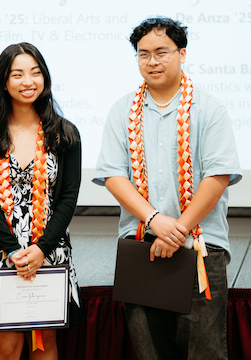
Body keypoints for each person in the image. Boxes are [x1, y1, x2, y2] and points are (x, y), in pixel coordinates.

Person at [93, 17, 242, 360]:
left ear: (182, 53)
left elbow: (217, 177)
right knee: (150, 352)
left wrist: (177, 229)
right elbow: (115, 176)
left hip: (202, 248)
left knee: (204, 352)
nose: (153, 61)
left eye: (162, 52)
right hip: (141, 247)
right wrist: (155, 220)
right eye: (143, 54)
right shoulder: (122, 111)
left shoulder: (209, 108)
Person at [0, 42, 82, 359]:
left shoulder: (64, 133)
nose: (28, 81)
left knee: (46, 344)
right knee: (7, 346)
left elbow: (68, 197)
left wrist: (42, 249)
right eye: (17, 74)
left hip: (49, 247)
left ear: (45, 78)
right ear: (4, 81)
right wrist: (13, 249)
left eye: (35, 73)